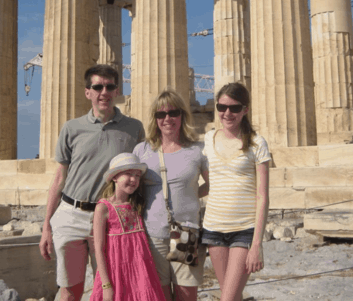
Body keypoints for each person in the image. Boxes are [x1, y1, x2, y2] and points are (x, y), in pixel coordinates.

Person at [38, 64, 145, 301]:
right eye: (97, 87)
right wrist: (47, 225)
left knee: (110, 287)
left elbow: (139, 174)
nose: (103, 92)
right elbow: (59, 177)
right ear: (88, 92)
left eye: (109, 87)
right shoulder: (72, 128)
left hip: (110, 218)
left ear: (117, 90)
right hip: (71, 214)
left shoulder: (134, 128)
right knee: (69, 290)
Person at [133, 88, 210, 301]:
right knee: (160, 295)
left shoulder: (197, 149)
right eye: (161, 114)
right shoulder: (142, 151)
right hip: (152, 233)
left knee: (186, 294)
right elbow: (131, 188)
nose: (167, 119)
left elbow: (213, 184)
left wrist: (191, 195)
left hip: (185, 232)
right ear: (155, 119)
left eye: (173, 113)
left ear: (182, 115)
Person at [201, 82, 270, 301]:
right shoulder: (208, 139)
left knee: (228, 298)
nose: (227, 113)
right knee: (232, 296)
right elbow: (211, 183)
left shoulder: (257, 143)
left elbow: (263, 196)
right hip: (213, 228)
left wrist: (257, 244)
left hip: (243, 230)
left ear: (245, 110)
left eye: (234, 108)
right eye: (222, 107)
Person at [91, 153, 165, 301]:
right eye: (128, 174)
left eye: (137, 176)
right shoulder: (103, 208)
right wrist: (106, 285)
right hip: (116, 275)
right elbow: (98, 248)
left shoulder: (137, 204)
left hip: (142, 274)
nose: (134, 180)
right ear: (114, 177)